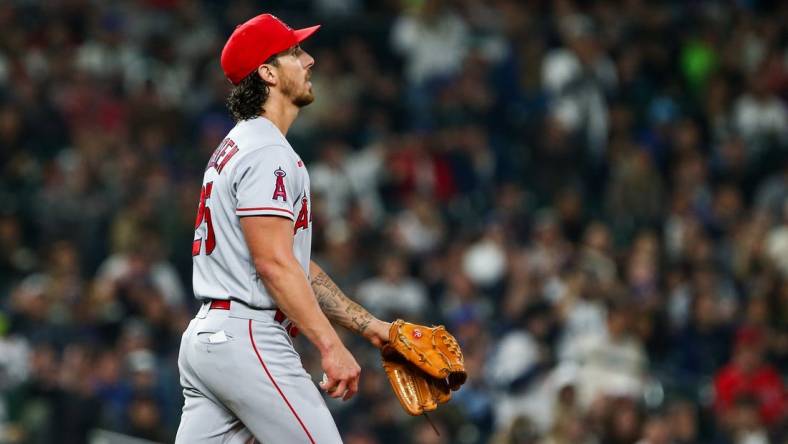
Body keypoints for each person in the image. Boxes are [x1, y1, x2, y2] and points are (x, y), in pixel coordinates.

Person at [175, 13, 392, 443]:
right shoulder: (267, 152)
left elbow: (294, 264)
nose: (309, 60)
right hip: (248, 334)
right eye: (295, 52)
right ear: (268, 73)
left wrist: (374, 329)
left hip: (211, 338)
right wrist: (330, 346)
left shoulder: (239, 145)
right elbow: (274, 265)